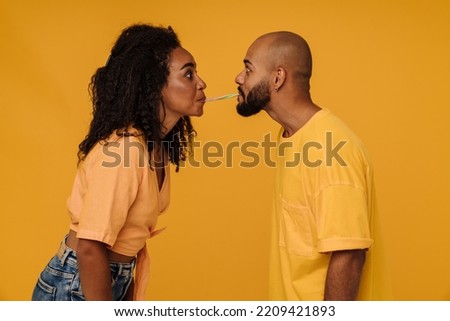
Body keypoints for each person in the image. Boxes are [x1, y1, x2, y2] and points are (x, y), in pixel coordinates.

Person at [31, 24, 207, 301]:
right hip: (76, 285)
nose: (201, 83)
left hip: (110, 276)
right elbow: (90, 246)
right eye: (188, 74)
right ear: (154, 85)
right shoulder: (125, 150)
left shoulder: (154, 147)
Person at [235, 31, 390, 300]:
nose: (239, 78)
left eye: (248, 68)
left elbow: (349, 255)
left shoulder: (332, 149)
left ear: (277, 77)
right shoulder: (290, 137)